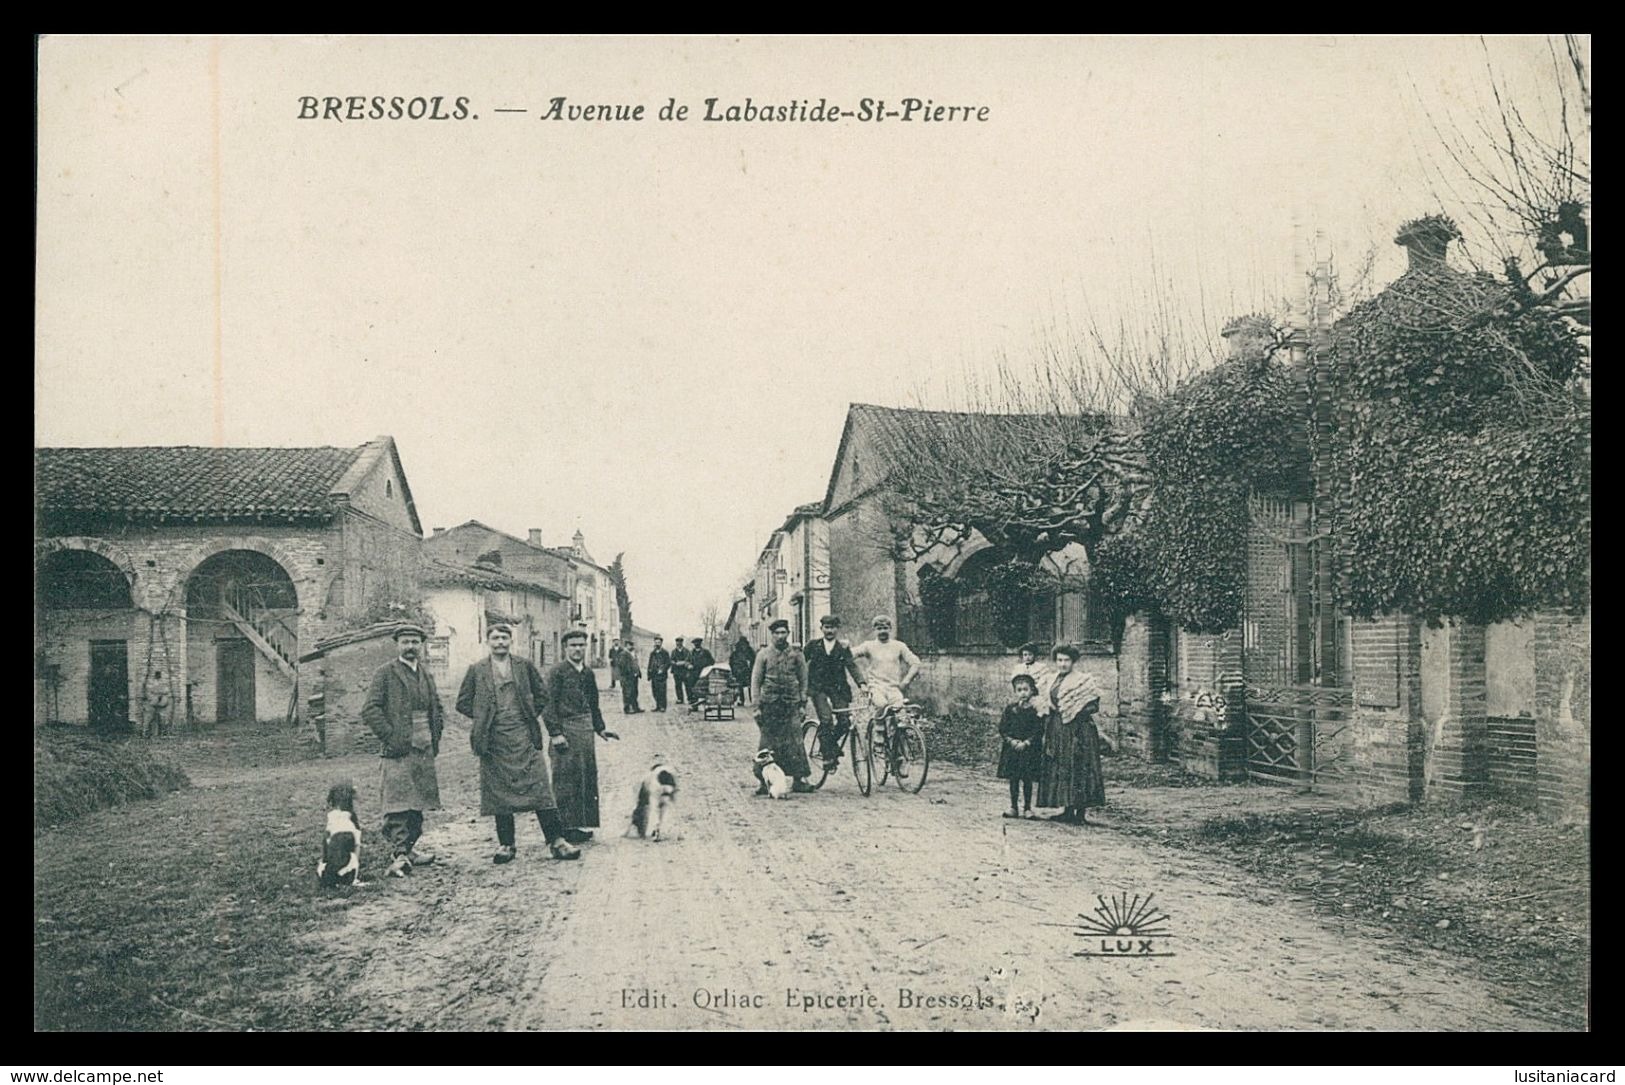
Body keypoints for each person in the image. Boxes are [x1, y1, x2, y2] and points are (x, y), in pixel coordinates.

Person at [456, 624, 580, 863]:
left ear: (510, 641)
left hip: (525, 737)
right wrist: (485, 716)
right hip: (493, 741)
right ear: (488, 641)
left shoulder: (524, 666)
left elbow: (543, 695)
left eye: (504, 638)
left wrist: (526, 713)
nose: (500, 642)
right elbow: (462, 702)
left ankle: (557, 841)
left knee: (541, 788)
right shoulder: (477, 670)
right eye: (495, 638)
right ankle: (506, 845)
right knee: (500, 794)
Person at [361, 623, 445, 878]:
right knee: (398, 802)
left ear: (422, 645)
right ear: (397, 645)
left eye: (415, 642)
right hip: (397, 748)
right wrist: (391, 736)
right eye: (406, 642)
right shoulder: (385, 673)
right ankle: (398, 853)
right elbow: (370, 710)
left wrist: (435, 734)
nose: (410, 646)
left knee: (418, 800)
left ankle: (409, 850)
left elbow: (437, 707)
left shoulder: (426, 674)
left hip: (424, 744)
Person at [544, 628, 620, 844]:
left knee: (583, 778)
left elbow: (593, 704)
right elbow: (547, 705)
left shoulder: (587, 673)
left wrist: (600, 728)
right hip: (565, 732)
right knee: (564, 779)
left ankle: (576, 826)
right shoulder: (556, 672)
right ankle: (561, 830)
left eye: (581, 645)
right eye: (573, 645)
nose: (578, 649)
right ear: (565, 648)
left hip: (585, 733)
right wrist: (556, 733)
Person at [1038, 643, 1107, 825]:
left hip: (1080, 730)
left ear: (1073, 661)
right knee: (1062, 766)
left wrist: (1077, 711)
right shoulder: (1051, 679)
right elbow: (1046, 703)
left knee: (1081, 766)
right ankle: (1067, 809)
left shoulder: (1083, 680)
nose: (1062, 664)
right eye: (1059, 660)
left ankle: (1080, 813)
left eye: (1066, 660)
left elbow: (1094, 705)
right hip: (1058, 728)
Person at [749, 619, 814, 792]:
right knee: (767, 744)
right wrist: (756, 707)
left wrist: (802, 703)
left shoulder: (796, 654)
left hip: (791, 704)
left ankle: (799, 780)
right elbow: (756, 682)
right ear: (772, 635)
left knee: (795, 742)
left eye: (783, 632)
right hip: (769, 705)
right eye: (776, 633)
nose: (780, 636)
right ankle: (764, 782)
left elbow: (803, 679)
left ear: (788, 634)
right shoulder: (763, 654)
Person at [806, 614, 864, 770]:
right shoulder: (813, 645)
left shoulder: (843, 648)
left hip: (838, 688)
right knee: (826, 720)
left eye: (832, 627)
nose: (829, 630)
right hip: (818, 689)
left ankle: (829, 745)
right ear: (821, 628)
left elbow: (851, 666)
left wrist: (862, 683)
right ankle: (827, 755)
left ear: (837, 629)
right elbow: (802, 665)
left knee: (845, 721)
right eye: (826, 627)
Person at [997, 673, 1046, 820]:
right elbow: (1003, 728)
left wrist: (1027, 742)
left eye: (1026, 689)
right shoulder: (1010, 709)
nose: (1023, 693)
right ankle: (1013, 807)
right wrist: (1011, 741)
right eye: (1019, 690)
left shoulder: (1035, 711)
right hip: (1013, 750)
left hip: (1028, 750)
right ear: (1015, 692)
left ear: (1032, 691)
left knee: (1027, 779)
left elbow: (1038, 730)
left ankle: (1027, 808)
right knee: (1014, 778)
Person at [615, 635, 643, 714]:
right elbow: (622, 666)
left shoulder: (632, 653)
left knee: (634, 692)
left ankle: (635, 707)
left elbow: (635, 664)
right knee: (627, 692)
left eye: (632, 645)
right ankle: (627, 708)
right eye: (630, 645)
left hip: (634, 676)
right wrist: (630, 673)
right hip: (627, 677)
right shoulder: (623, 654)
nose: (631, 646)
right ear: (626, 646)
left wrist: (637, 673)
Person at [687, 637, 716, 709]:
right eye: (695, 643)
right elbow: (686, 661)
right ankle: (694, 705)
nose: (696, 644)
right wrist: (688, 665)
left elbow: (712, 661)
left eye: (698, 643)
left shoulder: (706, 652)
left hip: (704, 673)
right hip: (693, 673)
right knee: (693, 689)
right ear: (693, 644)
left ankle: (707, 706)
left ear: (700, 643)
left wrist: (706, 666)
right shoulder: (691, 653)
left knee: (704, 689)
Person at [729, 635, 757, 705]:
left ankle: (749, 699)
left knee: (749, 685)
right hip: (741, 671)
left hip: (747, 671)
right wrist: (734, 670)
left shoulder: (749, 651)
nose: (743, 646)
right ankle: (742, 700)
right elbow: (731, 662)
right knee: (742, 685)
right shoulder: (736, 653)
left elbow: (754, 660)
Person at [646, 635, 671, 712]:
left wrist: (663, 669)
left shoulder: (665, 652)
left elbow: (668, 663)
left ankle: (663, 706)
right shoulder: (652, 653)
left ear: (661, 643)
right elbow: (650, 663)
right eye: (656, 642)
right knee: (655, 691)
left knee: (662, 691)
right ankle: (657, 706)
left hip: (661, 675)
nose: (657, 644)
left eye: (659, 642)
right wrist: (649, 674)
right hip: (654, 675)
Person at [670, 637, 692, 706]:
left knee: (687, 685)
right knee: (678, 685)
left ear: (682, 643)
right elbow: (671, 660)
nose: (678, 643)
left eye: (680, 642)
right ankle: (680, 699)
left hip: (685, 671)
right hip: (677, 671)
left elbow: (689, 659)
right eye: (677, 642)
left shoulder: (686, 651)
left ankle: (690, 698)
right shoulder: (673, 651)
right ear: (676, 643)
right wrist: (675, 663)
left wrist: (683, 663)